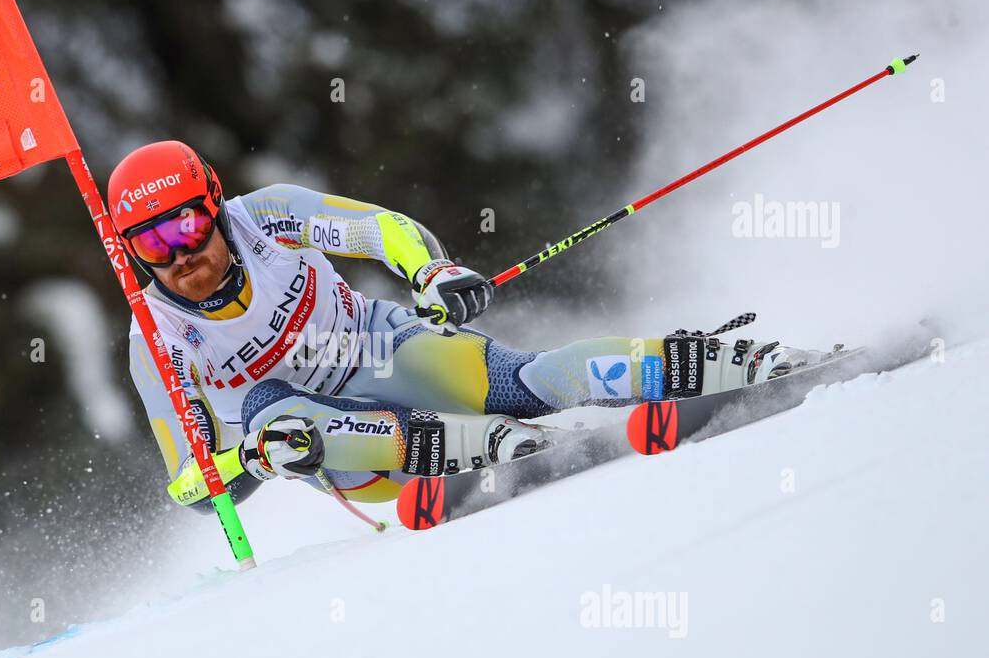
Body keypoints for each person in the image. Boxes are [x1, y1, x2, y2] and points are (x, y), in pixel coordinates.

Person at [112, 140, 810, 508]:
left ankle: (720, 362)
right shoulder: (157, 337)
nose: (179, 255)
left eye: (186, 225)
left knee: (527, 381)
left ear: (213, 205)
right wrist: (246, 465)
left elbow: (379, 230)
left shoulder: (265, 215)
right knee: (271, 416)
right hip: (342, 448)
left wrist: (430, 274)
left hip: (377, 347)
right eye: (152, 244)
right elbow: (190, 486)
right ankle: (473, 454)